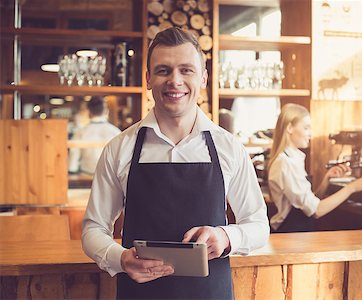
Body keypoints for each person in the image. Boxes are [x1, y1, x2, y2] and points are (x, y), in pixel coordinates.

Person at [82, 27, 270, 299]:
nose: (175, 80)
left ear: (203, 78)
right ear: (148, 78)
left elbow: (259, 225)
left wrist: (227, 237)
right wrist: (120, 258)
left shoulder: (229, 148)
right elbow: (93, 229)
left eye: (186, 70)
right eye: (163, 70)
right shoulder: (119, 148)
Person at [267, 103, 362, 233]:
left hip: (299, 233)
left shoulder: (292, 159)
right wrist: (352, 187)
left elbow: (307, 204)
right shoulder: (285, 164)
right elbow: (316, 210)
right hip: (290, 234)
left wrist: (326, 180)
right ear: (289, 128)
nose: (310, 134)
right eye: (306, 128)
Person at [68, 97, 121, 175]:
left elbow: (73, 159)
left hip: (86, 176)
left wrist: (72, 171)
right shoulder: (116, 132)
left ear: (89, 112)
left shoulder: (81, 132)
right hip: (110, 177)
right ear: (106, 111)